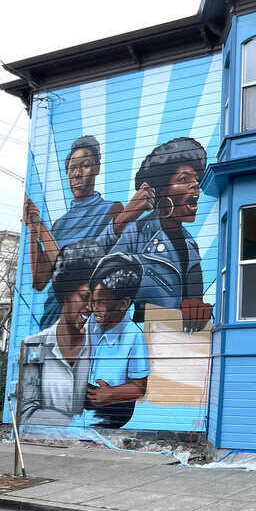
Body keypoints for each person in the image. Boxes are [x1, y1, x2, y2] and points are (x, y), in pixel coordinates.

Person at [23, 135, 155, 329]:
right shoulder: (59, 225)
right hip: (52, 321)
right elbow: (39, 282)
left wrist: (41, 230)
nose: (76, 174)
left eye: (84, 165)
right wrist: (34, 231)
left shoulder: (111, 210)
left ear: (96, 169)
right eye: (71, 168)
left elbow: (92, 264)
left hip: (89, 322)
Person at [101, 137, 212, 332]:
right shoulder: (136, 233)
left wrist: (196, 309)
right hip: (140, 342)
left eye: (195, 178)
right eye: (184, 179)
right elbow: (102, 281)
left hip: (174, 346)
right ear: (161, 191)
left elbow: (193, 300)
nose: (195, 185)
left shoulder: (190, 246)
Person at [20, 240, 104, 425]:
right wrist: (72, 425)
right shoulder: (35, 345)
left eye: (96, 300)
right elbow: (26, 413)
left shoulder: (101, 347)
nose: (90, 307)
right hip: (44, 445)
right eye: (84, 297)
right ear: (65, 293)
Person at [84, 252, 151, 428]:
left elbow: (139, 387)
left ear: (123, 304)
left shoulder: (133, 337)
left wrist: (111, 394)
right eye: (92, 301)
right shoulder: (91, 324)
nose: (93, 308)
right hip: (87, 403)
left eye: (100, 303)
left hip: (113, 411)